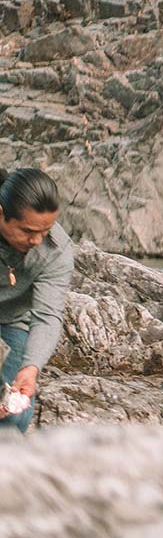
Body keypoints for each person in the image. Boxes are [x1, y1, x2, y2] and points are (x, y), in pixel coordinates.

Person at [0, 169, 71, 433]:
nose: (37, 240)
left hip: (12, 322)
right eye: (28, 231)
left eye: (45, 230)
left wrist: (31, 368)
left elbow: (47, 316)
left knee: (14, 416)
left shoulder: (56, 250)